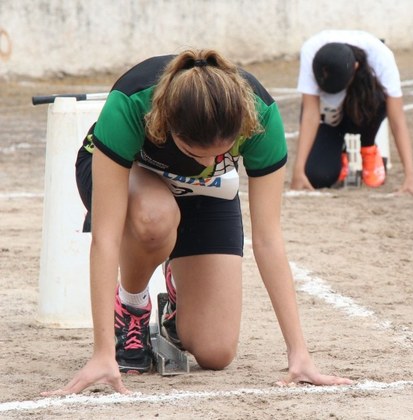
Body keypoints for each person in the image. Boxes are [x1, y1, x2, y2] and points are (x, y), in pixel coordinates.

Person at [42, 49, 352, 396]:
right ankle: (133, 305)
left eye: (222, 153)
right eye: (195, 154)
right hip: (135, 178)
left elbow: (267, 239)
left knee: (216, 351)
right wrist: (102, 352)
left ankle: (177, 302)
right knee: (154, 218)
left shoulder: (261, 115)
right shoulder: (131, 104)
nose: (210, 160)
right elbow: (106, 237)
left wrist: (299, 353)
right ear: (166, 126)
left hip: (207, 191)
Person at [290, 30, 413, 194]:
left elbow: (397, 120)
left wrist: (410, 176)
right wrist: (299, 169)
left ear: (355, 67)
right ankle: (340, 153)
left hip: (363, 110)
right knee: (317, 177)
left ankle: (368, 148)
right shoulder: (311, 51)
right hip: (330, 117)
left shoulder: (381, 56)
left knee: (376, 96)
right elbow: (309, 112)